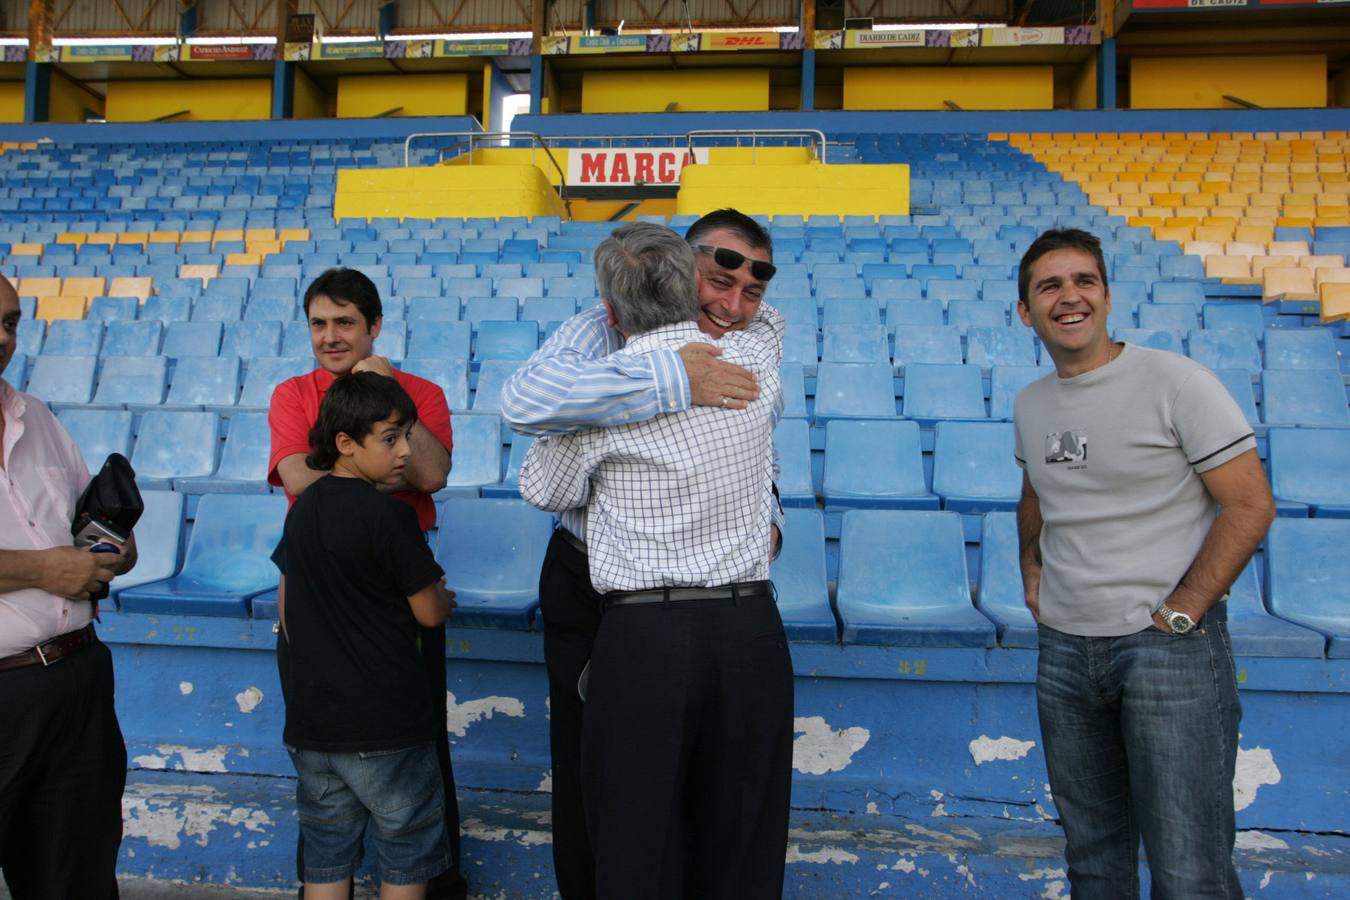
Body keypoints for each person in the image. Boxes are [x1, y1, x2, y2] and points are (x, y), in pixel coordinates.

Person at [500, 209, 783, 899]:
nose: (734, 305)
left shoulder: (759, 336)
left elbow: (541, 481)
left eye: (753, 289)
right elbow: (523, 399)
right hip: (594, 580)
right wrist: (668, 381)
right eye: (719, 280)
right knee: (601, 787)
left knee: (649, 807)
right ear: (683, 273)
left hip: (673, 602)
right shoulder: (597, 330)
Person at [1013, 229, 1275, 899]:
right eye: (1050, 286)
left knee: (1189, 871)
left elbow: (1249, 505)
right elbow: (1038, 489)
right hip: (1066, 653)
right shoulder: (1031, 403)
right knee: (1094, 861)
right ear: (1026, 311)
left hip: (1166, 651)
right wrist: (1031, 566)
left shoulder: (1176, 381)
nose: (1069, 297)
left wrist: (1183, 612)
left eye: (1084, 282)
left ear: (1106, 295)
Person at [266, 267, 466, 899]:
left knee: (414, 745)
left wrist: (382, 401)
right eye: (319, 324)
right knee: (324, 757)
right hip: (318, 591)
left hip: (401, 593)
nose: (330, 337)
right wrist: (371, 482)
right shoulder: (292, 393)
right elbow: (298, 477)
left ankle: (436, 880)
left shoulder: (419, 392)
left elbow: (429, 475)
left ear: (375, 327)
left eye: (345, 322)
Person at [0, 274, 139, 898]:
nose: (2, 336)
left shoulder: (41, 419)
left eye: (9, 322)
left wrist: (109, 550)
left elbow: (84, 528)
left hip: (76, 680)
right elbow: (49, 560)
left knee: (76, 878)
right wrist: (42, 569)